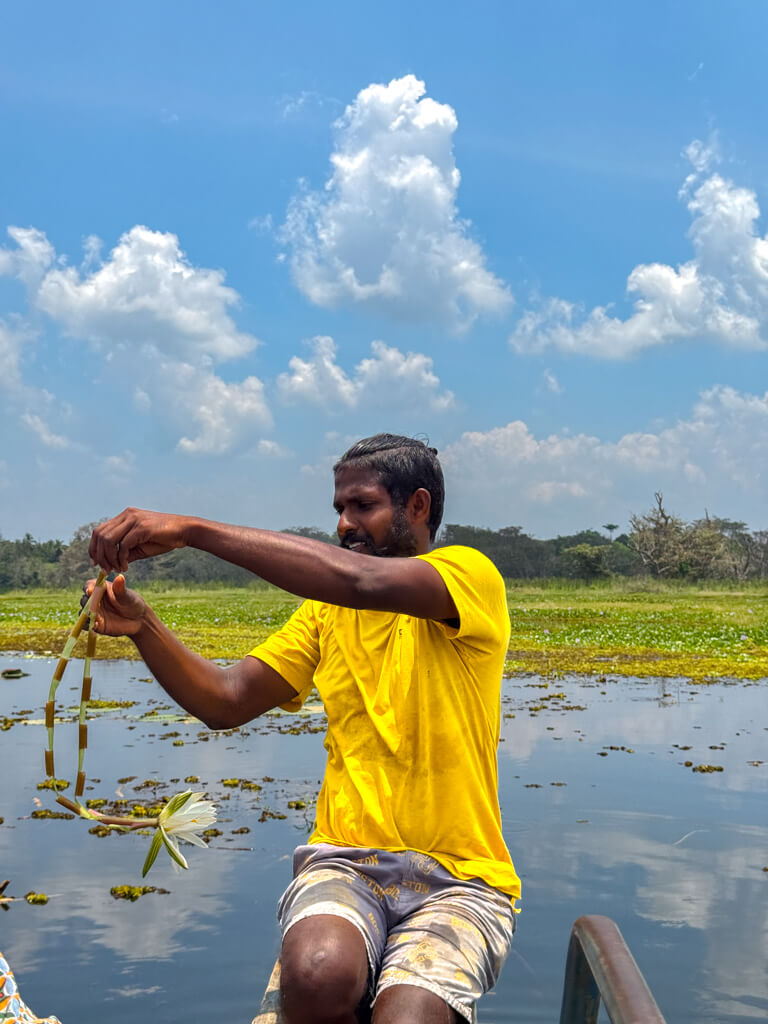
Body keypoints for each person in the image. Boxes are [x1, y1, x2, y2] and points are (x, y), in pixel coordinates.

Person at [87, 433, 521, 1024]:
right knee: (317, 973)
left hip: (461, 878)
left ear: (417, 507)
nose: (345, 523)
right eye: (339, 510)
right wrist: (144, 628)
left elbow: (359, 581)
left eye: (362, 506)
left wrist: (191, 530)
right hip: (346, 862)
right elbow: (226, 700)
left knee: (409, 1016)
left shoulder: (469, 577)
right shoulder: (325, 613)